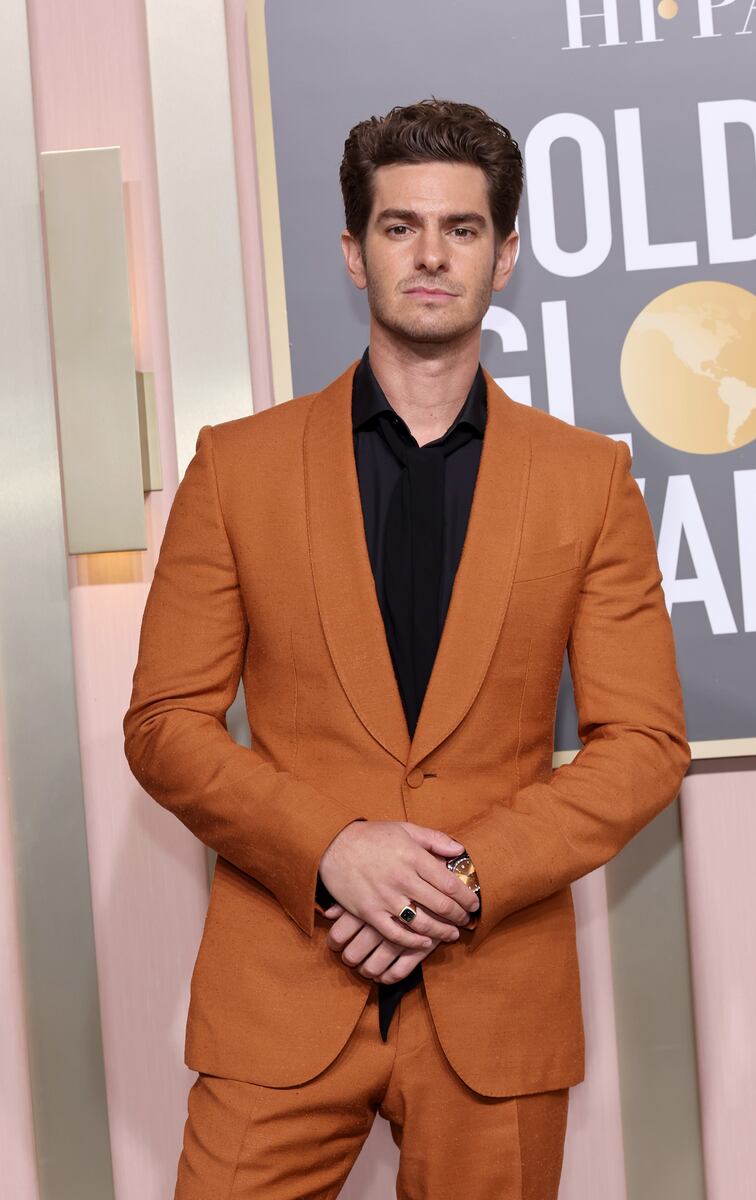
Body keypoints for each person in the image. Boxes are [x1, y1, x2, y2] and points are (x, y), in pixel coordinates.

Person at [123, 98, 690, 1199]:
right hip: (279, 991)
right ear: (352, 250)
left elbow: (643, 744)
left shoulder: (587, 479)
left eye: (461, 229)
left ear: (504, 252)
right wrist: (331, 849)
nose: (430, 255)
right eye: (398, 227)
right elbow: (164, 724)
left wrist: (461, 881)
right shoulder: (235, 467)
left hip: (494, 996)